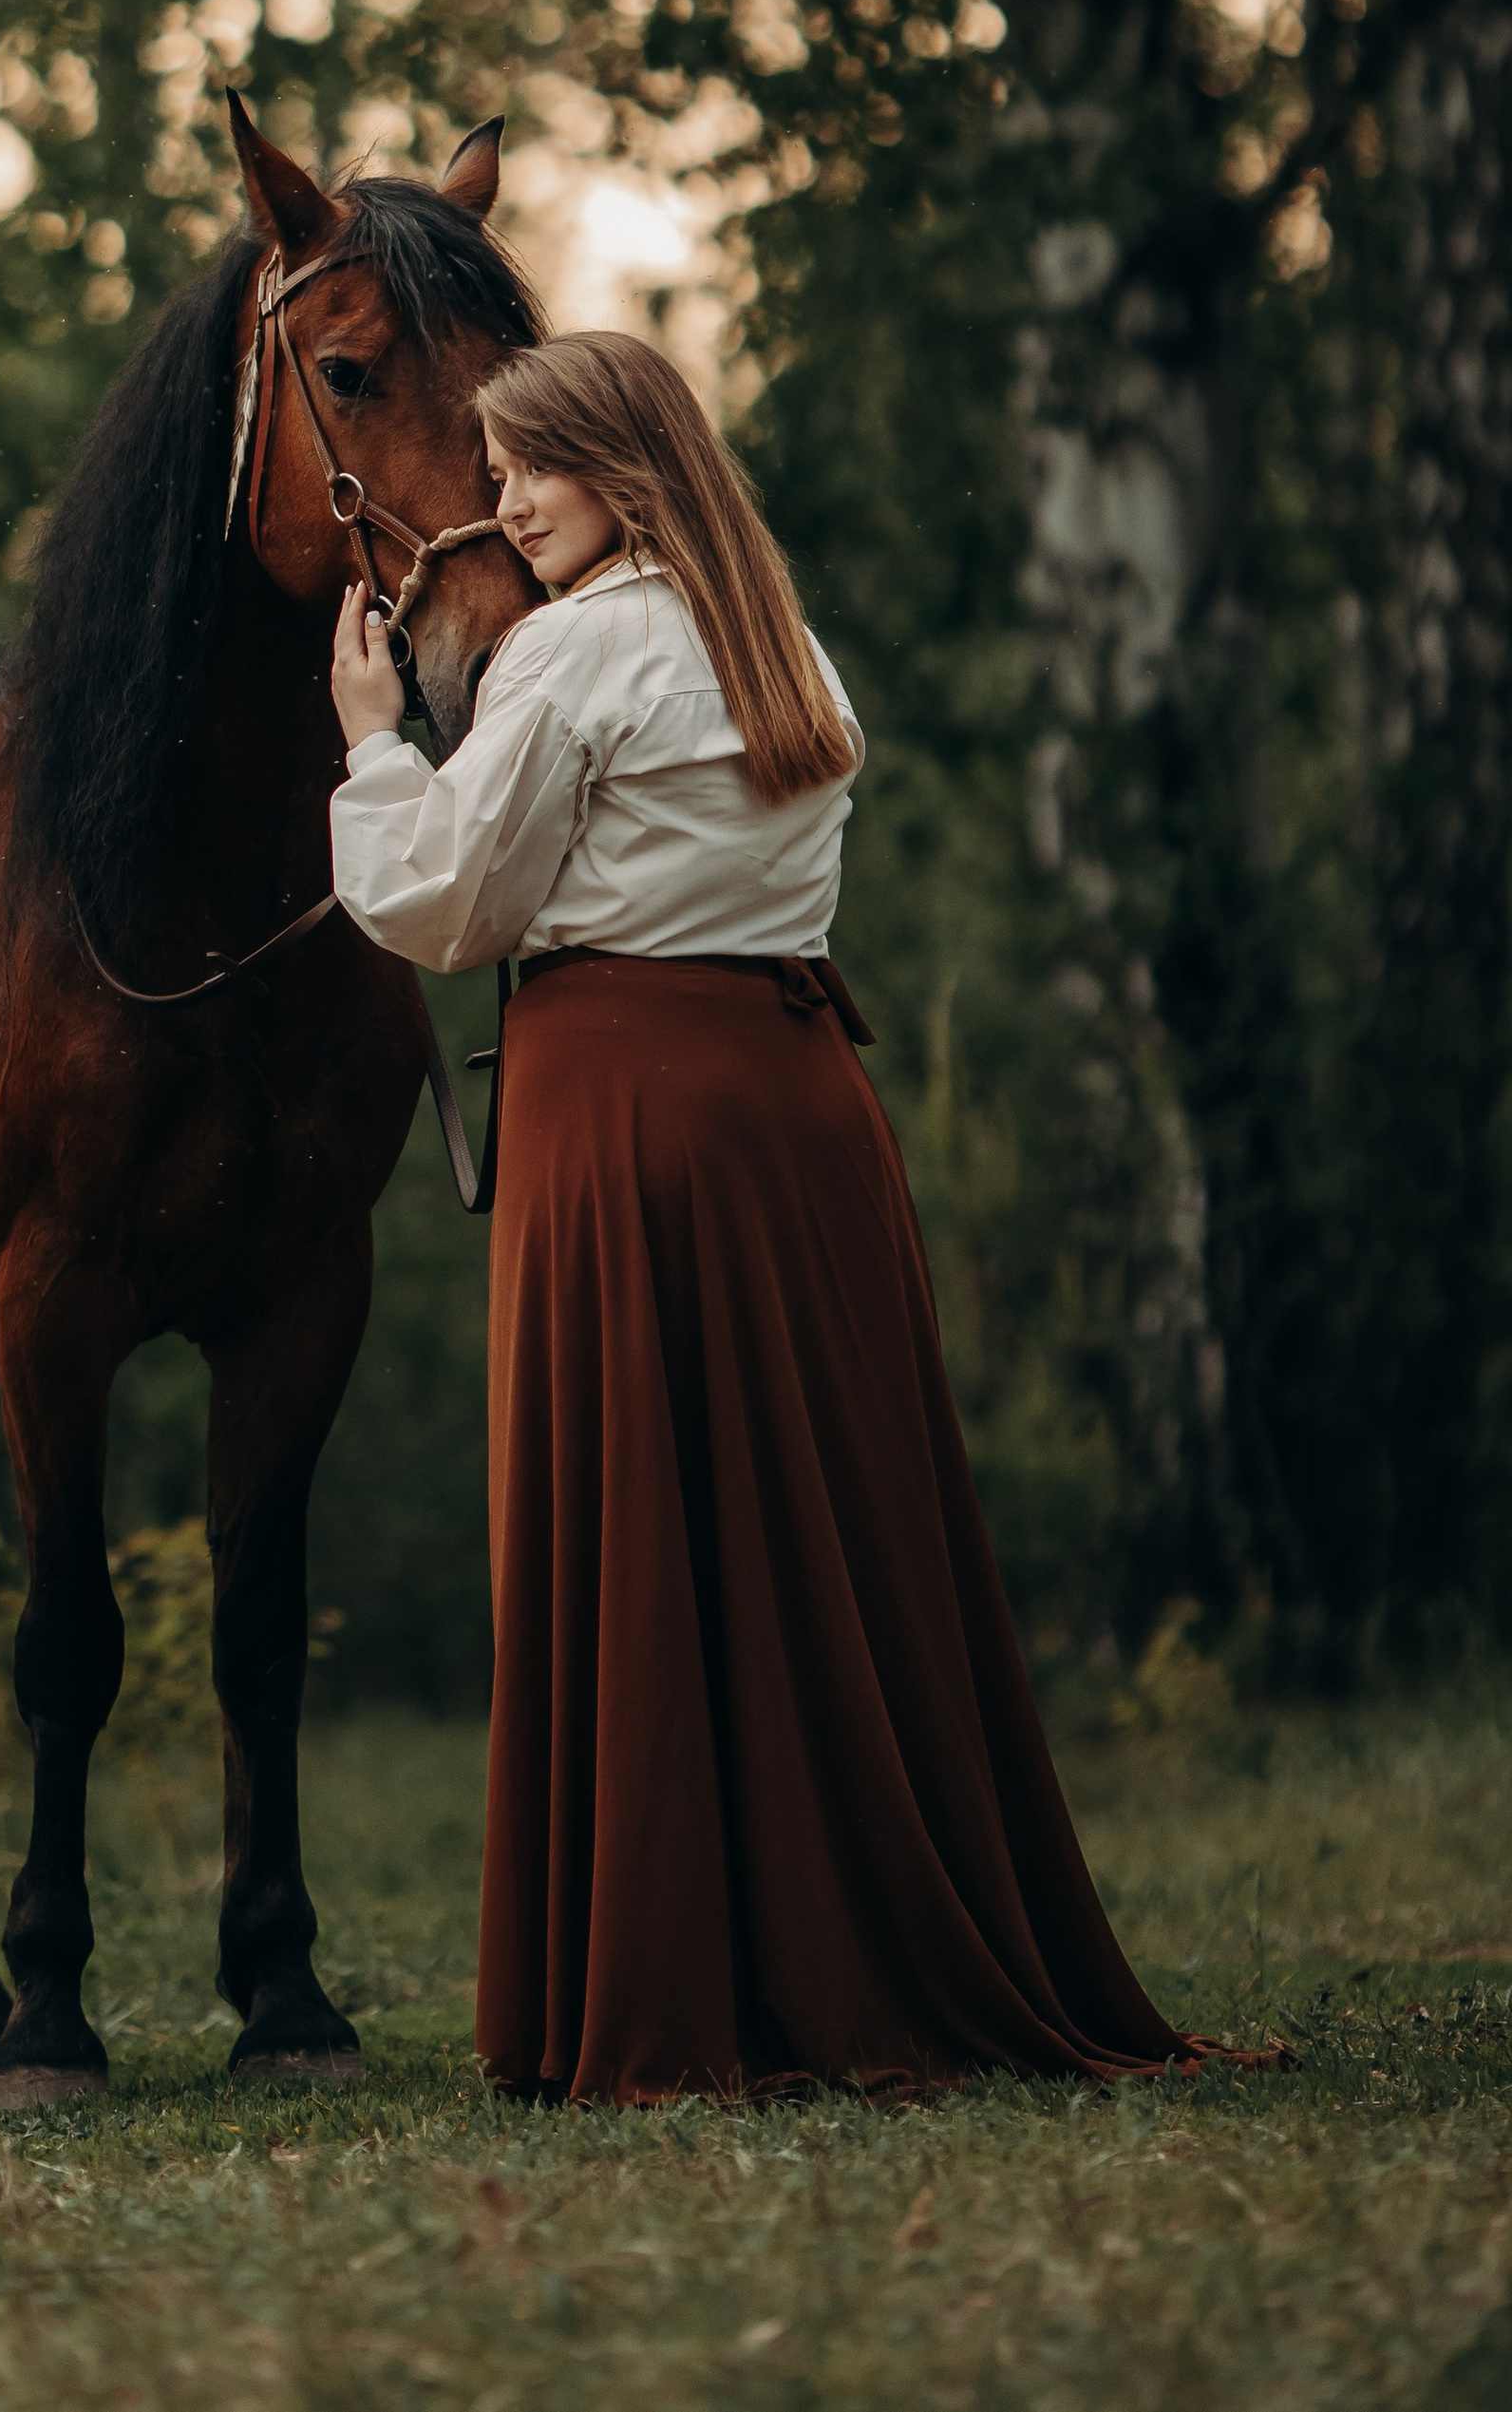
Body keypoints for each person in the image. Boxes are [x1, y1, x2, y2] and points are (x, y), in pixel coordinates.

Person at [327, 327, 1245, 2107]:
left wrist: (374, 746)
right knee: (820, 1530)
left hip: (627, 1113)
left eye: (535, 467)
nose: (507, 504)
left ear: (628, 467)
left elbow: (445, 901)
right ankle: (858, 1938)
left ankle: (676, 1973)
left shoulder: (573, 650)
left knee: (643, 1526)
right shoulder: (775, 637)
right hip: (798, 1108)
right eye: (498, 473)